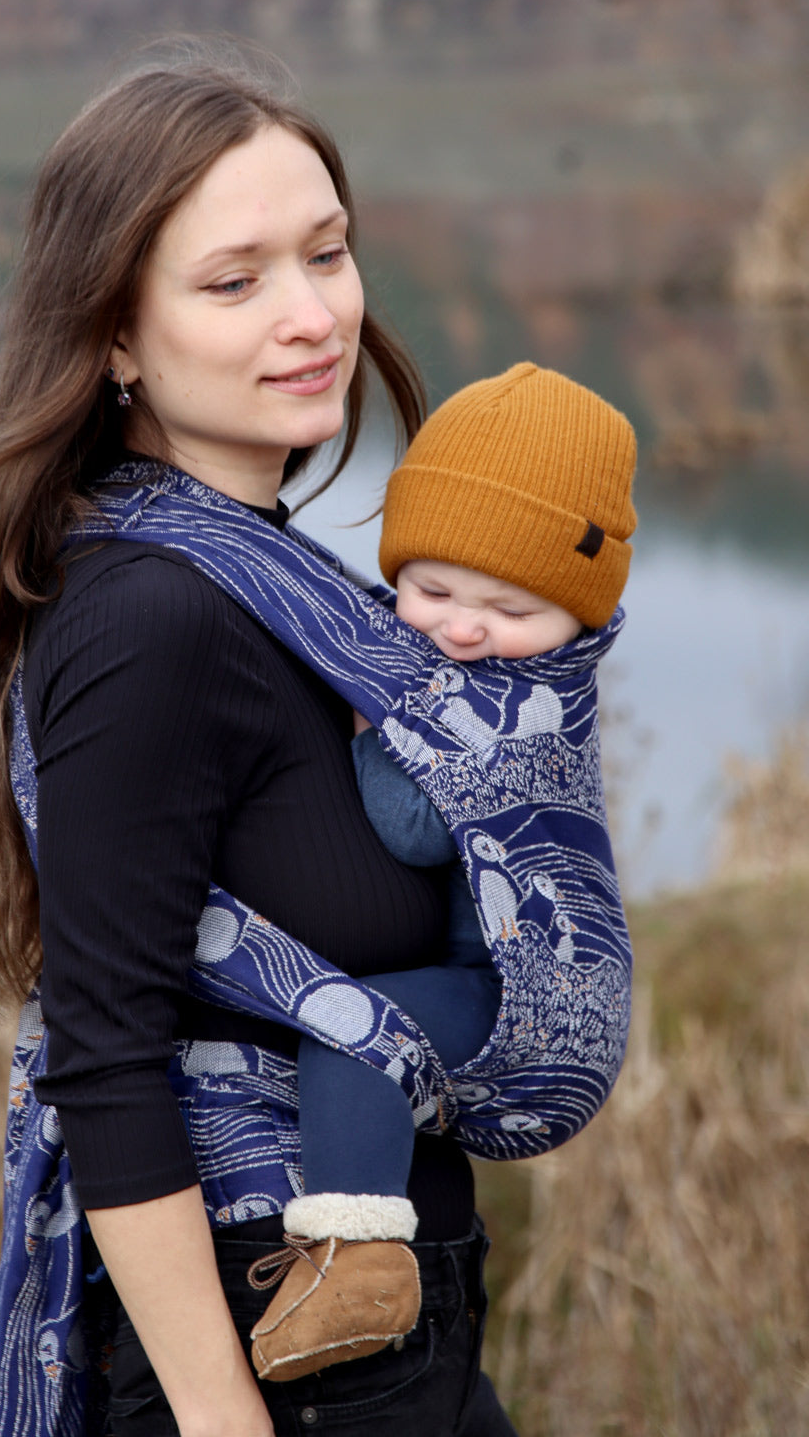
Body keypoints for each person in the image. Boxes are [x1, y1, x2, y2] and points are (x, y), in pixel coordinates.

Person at [0, 49, 520, 1437]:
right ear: (117, 335)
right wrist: (217, 1412)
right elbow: (106, 1043)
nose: (311, 315)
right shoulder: (153, 616)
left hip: (384, 1327)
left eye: (328, 252)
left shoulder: (289, 595)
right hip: (277, 1363)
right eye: (235, 280)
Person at [252, 363, 636, 1381]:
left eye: (507, 607)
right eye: (430, 590)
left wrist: (372, 726)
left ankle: (358, 1269)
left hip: (517, 994)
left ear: (577, 609)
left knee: (355, 1032)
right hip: (482, 973)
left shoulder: (524, 707)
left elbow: (419, 826)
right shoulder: (472, 662)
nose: (462, 629)